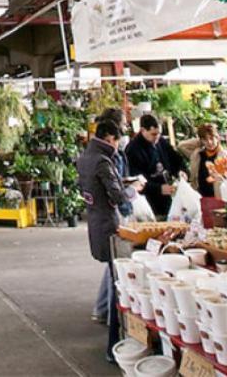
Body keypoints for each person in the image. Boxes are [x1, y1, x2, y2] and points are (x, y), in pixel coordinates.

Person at [78, 119, 130, 361]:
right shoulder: (101, 160)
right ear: (109, 138)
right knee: (116, 280)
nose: (118, 145)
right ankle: (113, 346)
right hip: (108, 224)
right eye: (117, 140)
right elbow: (115, 192)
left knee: (112, 275)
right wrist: (129, 196)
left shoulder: (85, 157)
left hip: (95, 222)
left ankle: (110, 332)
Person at [91, 108, 132, 325]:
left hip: (104, 215)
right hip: (112, 214)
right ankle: (108, 312)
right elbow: (114, 189)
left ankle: (103, 309)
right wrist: (129, 194)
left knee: (113, 263)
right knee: (115, 262)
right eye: (123, 126)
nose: (125, 131)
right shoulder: (106, 159)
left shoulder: (99, 156)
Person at [125, 113, 187, 218]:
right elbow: (134, 180)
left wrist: (181, 171)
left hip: (168, 200)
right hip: (148, 202)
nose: (157, 137)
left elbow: (176, 159)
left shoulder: (161, 141)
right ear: (143, 130)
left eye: (159, 133)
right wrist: (159, 189)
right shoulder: (133, 150)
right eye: (153, 134)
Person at [190, 124, 227, 199]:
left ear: (217, 138)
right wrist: (199, 142)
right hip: (200, 197)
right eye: (205, 139)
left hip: (219, 197)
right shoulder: (198, 154)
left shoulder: (225, 156)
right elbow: (181, 146)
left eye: (211, 138)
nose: (209, 142)